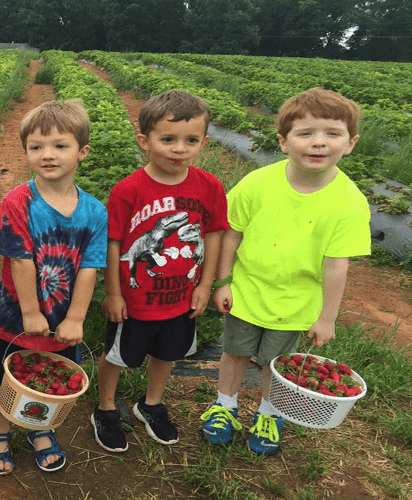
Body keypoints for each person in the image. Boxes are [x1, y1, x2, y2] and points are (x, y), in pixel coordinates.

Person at [201, 88, 371, 456]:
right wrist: (223, 281)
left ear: (351, 143)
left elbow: (337, 264)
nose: (319, 143)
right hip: (246, 289)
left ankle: (269, 413)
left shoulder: (349, 203)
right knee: (235, 351)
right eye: (305, 133)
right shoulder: (259, 183)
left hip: (295, 301)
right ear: (283, 141)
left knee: (277, 365)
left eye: (332, 133)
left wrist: (327, 318)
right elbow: (232, 234)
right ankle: (224, 406)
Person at [90, 90, 229, 453]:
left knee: (167, 353)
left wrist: (205, 284)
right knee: (117, 354)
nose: (179, 148)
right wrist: (115, 292)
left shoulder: (209, 187)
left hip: (181, 296)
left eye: (191, 140)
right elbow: (115, 243)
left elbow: (213, 234)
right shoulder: (128, 190)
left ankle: (151, 403)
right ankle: (105, 407)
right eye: (168, 139)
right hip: (135, 300)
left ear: (204, 142)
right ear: (145, 140)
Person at [0, 99, 108, 475]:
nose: (47, 155)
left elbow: (89, 267)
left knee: (51, 374)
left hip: (62, 316)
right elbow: (20, 260)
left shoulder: (94, 211)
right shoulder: (17, 203)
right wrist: (30, 312)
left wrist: (76, 318)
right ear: (25, 152)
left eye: (60, 145)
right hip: (16, 312)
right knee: (4, 373)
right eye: (36, 147)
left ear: (82, 152)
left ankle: (41, 427)